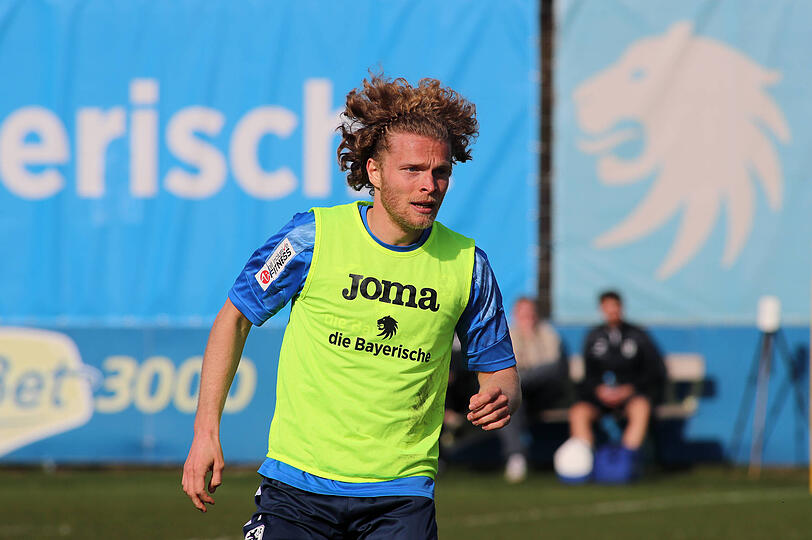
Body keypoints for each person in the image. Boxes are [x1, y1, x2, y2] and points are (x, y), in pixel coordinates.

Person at [181, 74, 520, 539]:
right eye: (413, 170)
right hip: (296, 488)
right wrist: (206, 432)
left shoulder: (468, 266)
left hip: (401, 496)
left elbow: (500, 372)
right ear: (374, 172)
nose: (430, 185)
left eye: (441, 172)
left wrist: (500, 398)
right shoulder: (309, 238)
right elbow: (235, 318)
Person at [568, 290, 665, 456]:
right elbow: (588, 374)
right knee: (578, 412)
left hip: (630, 397)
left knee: (641, 408)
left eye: (615, 306)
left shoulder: (637, 335)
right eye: (608, 306)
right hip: (600, 398)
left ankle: (626, 460)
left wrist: (629, 389)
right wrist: (598, 390)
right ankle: (586, 461)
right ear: (601, 309)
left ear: (622, 307)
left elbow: (654, 370)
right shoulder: (593, 336)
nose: (612, 310)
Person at [499, 297, 568, 483]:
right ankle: (516, 457)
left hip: (546, 392)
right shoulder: (509, 334)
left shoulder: (547, 333)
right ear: (516, 315)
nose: (527, 317)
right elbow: (510, 366)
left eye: (530, 312)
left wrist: (530, 338)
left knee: (520, 382)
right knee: (510, 398)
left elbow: (551, 365)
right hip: (524, 393)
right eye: (523, 313)